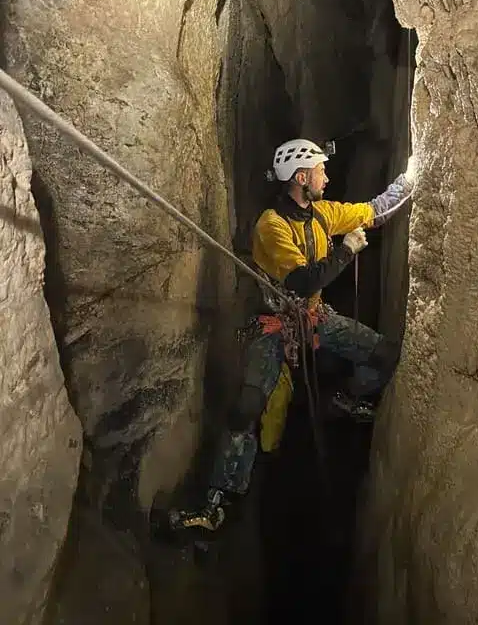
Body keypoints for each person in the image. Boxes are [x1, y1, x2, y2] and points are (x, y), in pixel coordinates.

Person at [168, 139, 415, 534]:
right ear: (302, 178)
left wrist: (410, 179)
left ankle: (349, 399)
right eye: (320, 171)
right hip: (275, 323)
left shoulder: (322, 214)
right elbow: (301, 282)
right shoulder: (271, 227)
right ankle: (217, 501)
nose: (326, 177)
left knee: (384, 354)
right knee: (247, 406)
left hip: (313, 317)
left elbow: (372, 212)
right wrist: (347, 250)